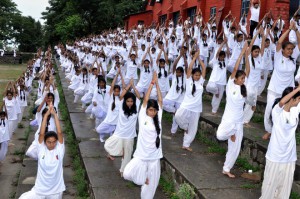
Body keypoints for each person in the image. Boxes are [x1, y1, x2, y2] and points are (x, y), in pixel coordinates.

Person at [123, 71, 163, 199]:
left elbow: (161, 100)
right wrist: (152, 82)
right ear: (146, 110)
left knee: (150, 188)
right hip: (141, 155)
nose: (152, 112)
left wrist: (158, 85)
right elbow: (145, 99)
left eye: (154, 110)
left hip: (154, 157)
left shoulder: (158, 118)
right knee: (127, 174)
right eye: (150, 109)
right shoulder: (143, 116)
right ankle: (142, 179)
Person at [260, 86, 300, 199]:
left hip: (289, 157)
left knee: (284, 190)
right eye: (298, 99)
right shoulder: (277, 112)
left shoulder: (295, 110)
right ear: (292, 99)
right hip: (275, 157)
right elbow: (283, 101)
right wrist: (297, 90)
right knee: (269, 188)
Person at [216, 42, 249, 178]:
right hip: (228, 119)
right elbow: (236, 69)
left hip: (238, 122)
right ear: (235, 78)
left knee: (235, 148)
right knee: (219, 135)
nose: (243, 80)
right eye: (241, 78)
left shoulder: (243, 86)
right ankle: (230, 133)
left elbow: (248, 68)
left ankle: (227, 168)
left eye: (244, 78)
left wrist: (247, 55)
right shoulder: (231, 85)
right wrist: (242, 53)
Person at [263, 21, 300, 139]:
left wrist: (296, 30)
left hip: (287, 91)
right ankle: (269, 131)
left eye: (292, 49)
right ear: (283, 50)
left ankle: (281, 131)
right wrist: (289, 30)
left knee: (286, 111)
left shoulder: (293, 58)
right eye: (288, 49)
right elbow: (279, 42)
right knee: (269, 110)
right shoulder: (278, 55)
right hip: (274, 89)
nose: (290, 51)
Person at [19, 104, 65, 199]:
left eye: (53, 142)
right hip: (40, 189)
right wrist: (46, 115)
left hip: (56, 191)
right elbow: (42, 133)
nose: (51, 144)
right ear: (45, 142)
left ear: (57, 142)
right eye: (49, 142)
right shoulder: (41, 149)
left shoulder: (60, 150)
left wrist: (55, 114)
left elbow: (59, 132)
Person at [104, 78, 141, 176]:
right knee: (107, 145)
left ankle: (123, 170)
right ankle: (120, 153)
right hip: (119, 134)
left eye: (131, 101)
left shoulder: (136, 108)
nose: (130, 103)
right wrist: (129, 85)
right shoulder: (121, 106)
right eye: (128, 101)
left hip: (130, 136)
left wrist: (133, 87)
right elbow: (122, 95)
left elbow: (138, 96)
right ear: (125, 102)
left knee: (128, 154)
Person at [175, 50, 206, 151]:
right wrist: (194, 58)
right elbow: (189, 68)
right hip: (186, 105)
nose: (197, 76)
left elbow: (204, 68)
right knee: (178, 116)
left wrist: (199, 59)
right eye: (196, 75)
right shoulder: (188, 81)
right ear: (192, 75)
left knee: (193, 127)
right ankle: (185, 126)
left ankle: (186, 144)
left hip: (196, 108)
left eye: (199, 75)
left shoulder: (201, 81)